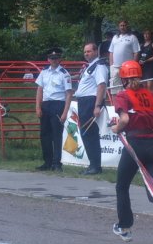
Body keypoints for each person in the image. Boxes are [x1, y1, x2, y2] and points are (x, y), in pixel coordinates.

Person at [110, 60, 153, 243]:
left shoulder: (123, 95)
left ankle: (125, 226)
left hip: (135, 145)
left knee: (122, 186)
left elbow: (123, 119)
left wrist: (115, 129)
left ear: (123, 78)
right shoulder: (151, 95)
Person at [34, 47, 74, 172]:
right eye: (52, 58)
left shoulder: (64, 74)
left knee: (57, 135)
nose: (54, 60)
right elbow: (40, 90)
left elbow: (68, 94)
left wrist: (65, 112)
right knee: (45, 135)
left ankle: (57, 163)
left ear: (60, 59)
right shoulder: (44, 72)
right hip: (46, 104)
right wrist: (38, 106)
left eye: (56, 58)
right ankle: (47, 162)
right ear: (48, 59)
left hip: (58, 104)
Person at [74, 42, 108, 175]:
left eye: (88, 51)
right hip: (84, 102)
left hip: (91, 101)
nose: (86, 54)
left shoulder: (99, 66)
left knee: (89, 133)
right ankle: (92, 164)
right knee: (86, 134)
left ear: (95, 52)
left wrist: (97, 106)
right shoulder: (91, 66)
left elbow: (101, 86)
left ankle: (95, 166)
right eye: (85, 52)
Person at [108, 20, 140, 94]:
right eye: (121, 25)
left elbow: (136, 52)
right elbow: (111, 52)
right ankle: (116, 105)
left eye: (124, 25)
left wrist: (133, 65)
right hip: (115, 67)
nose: (122, 27)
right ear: (119, 27)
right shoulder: (115, 37)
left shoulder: (132, 37)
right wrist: (111, 66)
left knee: (129, 88)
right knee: (114, 89)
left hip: (128, 68)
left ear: (127, 26)